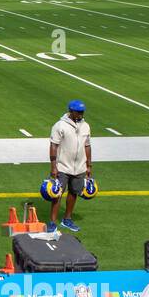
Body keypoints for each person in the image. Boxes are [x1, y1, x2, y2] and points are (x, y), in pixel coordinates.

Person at [47, 99, 91, 233]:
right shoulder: (60, 125)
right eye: (78, 112)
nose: (81, 115)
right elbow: (53, 146)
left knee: (74, 192)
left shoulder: (86, 126)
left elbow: (87, 145)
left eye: (82, 112)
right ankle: (52, 222)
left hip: (79, 167)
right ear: (71, 111)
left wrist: (89, 165)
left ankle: (67, 219)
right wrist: (54, 166)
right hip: (63, 166)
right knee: (57, 194)